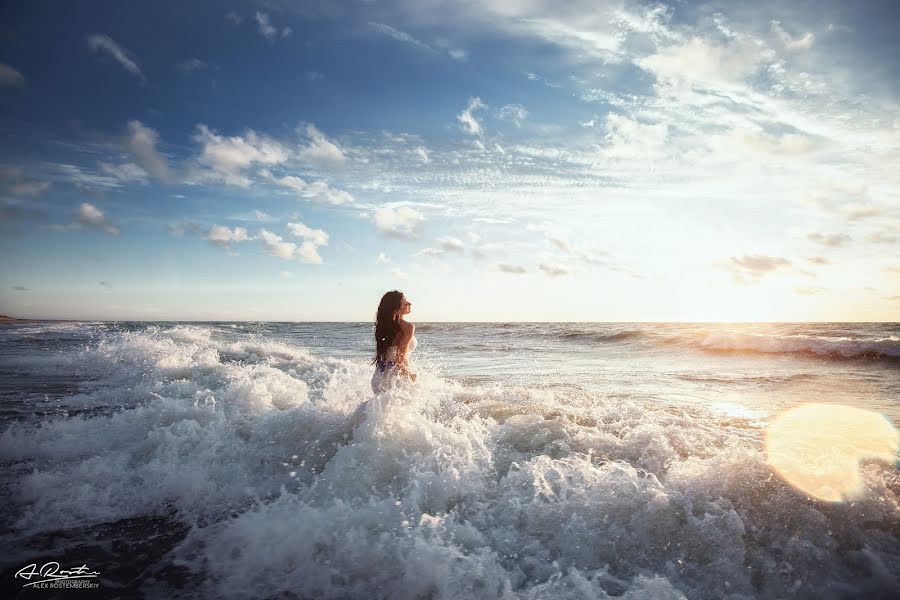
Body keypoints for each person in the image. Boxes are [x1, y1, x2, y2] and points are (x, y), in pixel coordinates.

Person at [349, 290, 418, 429]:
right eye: (405, 302)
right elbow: (400, 358)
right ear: (397, 308)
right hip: (394, 376)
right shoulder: (408, 327)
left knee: (380, 419)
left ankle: (358, 433)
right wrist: (409, 374)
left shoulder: (383, 326)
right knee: (392, 422)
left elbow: (386, 355)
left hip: (379, 376)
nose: (409, 303)